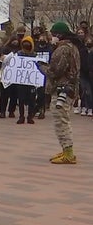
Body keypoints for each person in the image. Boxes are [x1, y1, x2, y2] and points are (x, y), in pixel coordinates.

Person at [36, 22, 82, 164]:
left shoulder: (62, 50)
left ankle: (68, 153)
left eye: (53, 34)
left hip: (62, 89)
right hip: (70, 88)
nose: (51, 37)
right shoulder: (73, 48)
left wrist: (41, 67)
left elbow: (55, 71)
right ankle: (65, 149)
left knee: (61, 121)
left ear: (59, 35)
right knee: (63, 119)